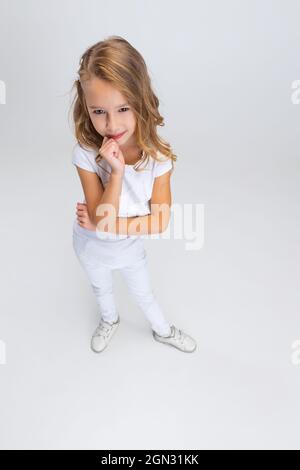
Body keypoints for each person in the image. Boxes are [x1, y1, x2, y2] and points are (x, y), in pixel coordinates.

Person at [69, 35, 197, 354]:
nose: (111, 124)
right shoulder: (85, 153)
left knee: (144, 294)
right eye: (98, 111)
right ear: (85, 106)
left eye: (123, 108)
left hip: (128, 247)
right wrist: (116, 173)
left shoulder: (158, 158)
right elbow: (111, 218)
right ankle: (110, 320)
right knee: (101, 288)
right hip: (89, 244)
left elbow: (160, 222)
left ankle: (163, 330)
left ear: (140, 99)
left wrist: (108, 224)